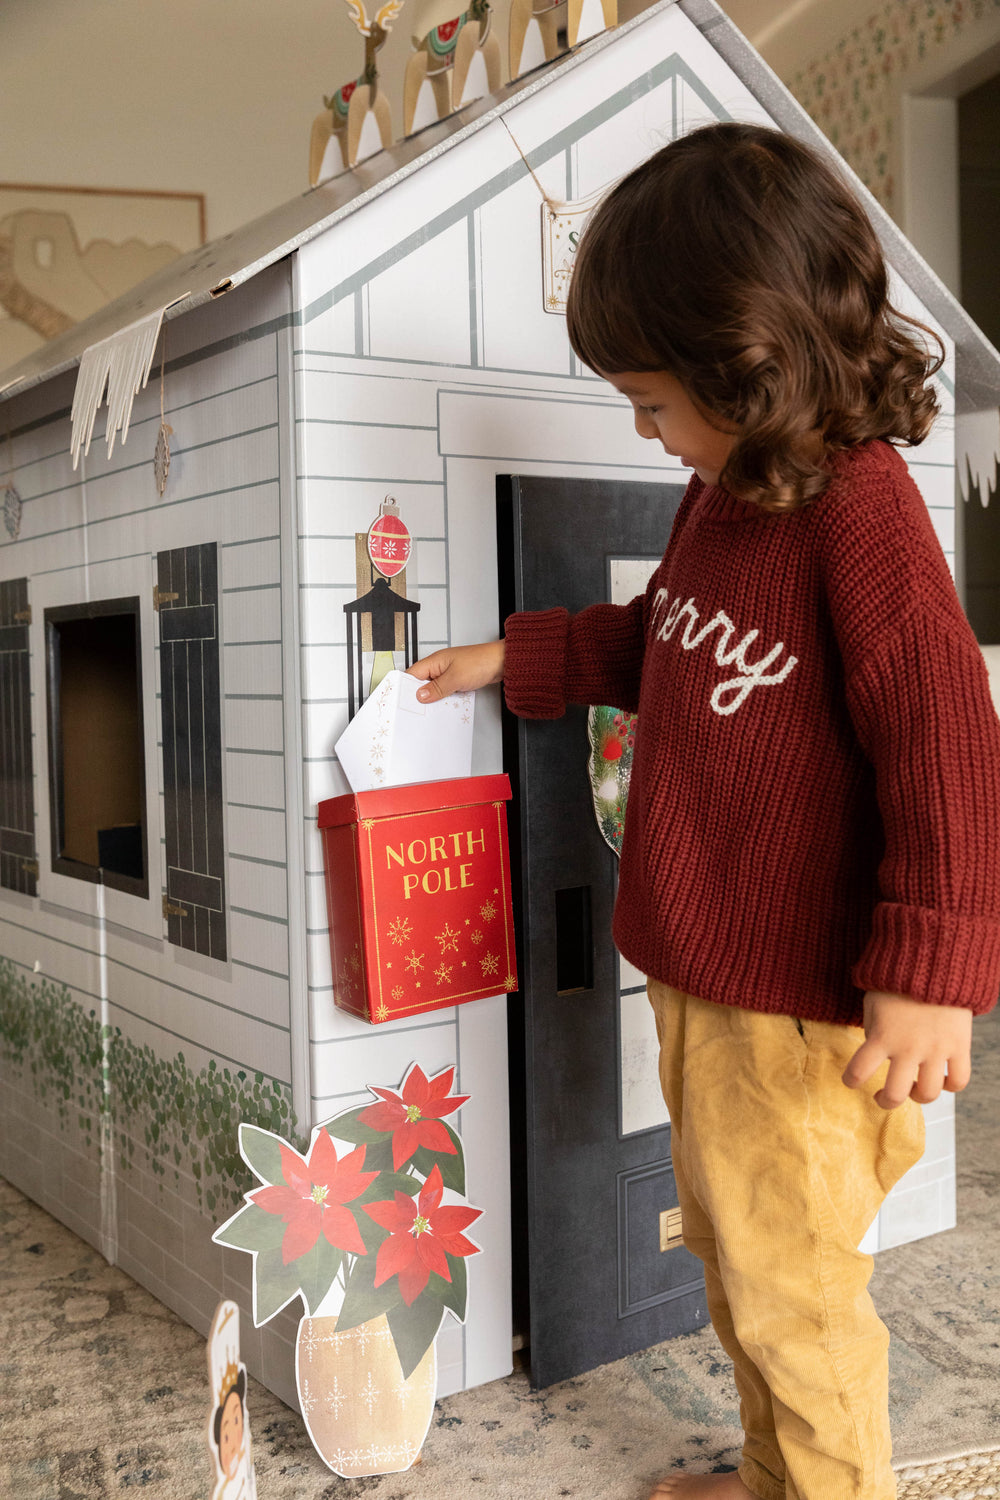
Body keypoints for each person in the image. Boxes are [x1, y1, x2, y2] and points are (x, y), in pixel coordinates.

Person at [407, 122, 1000, 1500]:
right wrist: (528, 657)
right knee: (735, 1264)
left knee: (796, 1294)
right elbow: (659, 638)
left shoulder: (858, 512)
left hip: (803, 1005)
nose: (643, 430)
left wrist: (931, 970)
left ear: (756, 368)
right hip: (706, 978)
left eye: (655, 401)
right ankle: (774, 1478)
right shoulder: (724, 499)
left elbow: (947, 741)